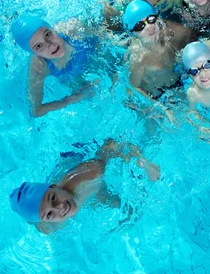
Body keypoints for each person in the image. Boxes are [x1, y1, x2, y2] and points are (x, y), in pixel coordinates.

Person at [8, 139, 160, 234]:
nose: (59, 208)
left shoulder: (89, 173)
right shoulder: (49, 227)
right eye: (49, 214)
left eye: (53, 198)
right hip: (90, 195)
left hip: (76, 156)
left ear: (54, 186)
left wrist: (144, 163)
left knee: (135, 211)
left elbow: (109, 146)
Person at [11, 15, 100, 118]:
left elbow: (103, 33)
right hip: (74, 76)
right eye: (39, 46)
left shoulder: (74, 29)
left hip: (95, 53)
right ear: (33, 53)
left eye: (48, 34)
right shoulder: (39, 68)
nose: (50, 45)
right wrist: (71, 99)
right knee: (91, 96)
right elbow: (36, 111)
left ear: (52, 28)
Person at [124, 0, 195, 102]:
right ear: (133, 33)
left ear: (158, 18)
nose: (149, 27)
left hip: (176, 82)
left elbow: (191, 34)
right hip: (154, 94)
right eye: (140, 26)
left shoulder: (170, 34)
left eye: (151, 19)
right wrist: (159, 108)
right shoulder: (139, 58)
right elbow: (131, 88)